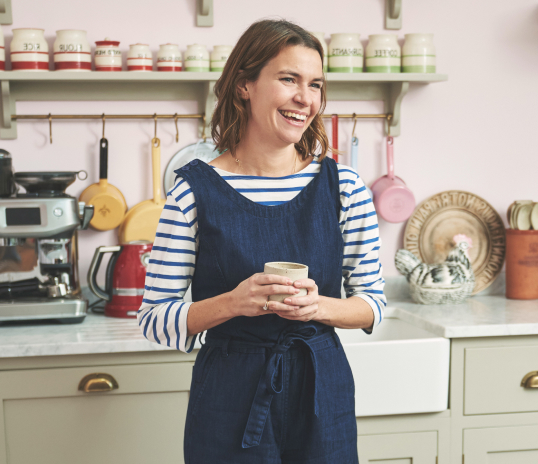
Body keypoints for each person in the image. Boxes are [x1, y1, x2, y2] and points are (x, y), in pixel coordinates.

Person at [138, 19, 387, 464]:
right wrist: (232, 303)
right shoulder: (192, 191)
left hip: (320, 387)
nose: (305, 99)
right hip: (228, 397)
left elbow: (374, 304)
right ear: (244, 86)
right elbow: (154, 319)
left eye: (315, 84)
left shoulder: (344, 187)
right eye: (288, 79)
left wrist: (319, 308)